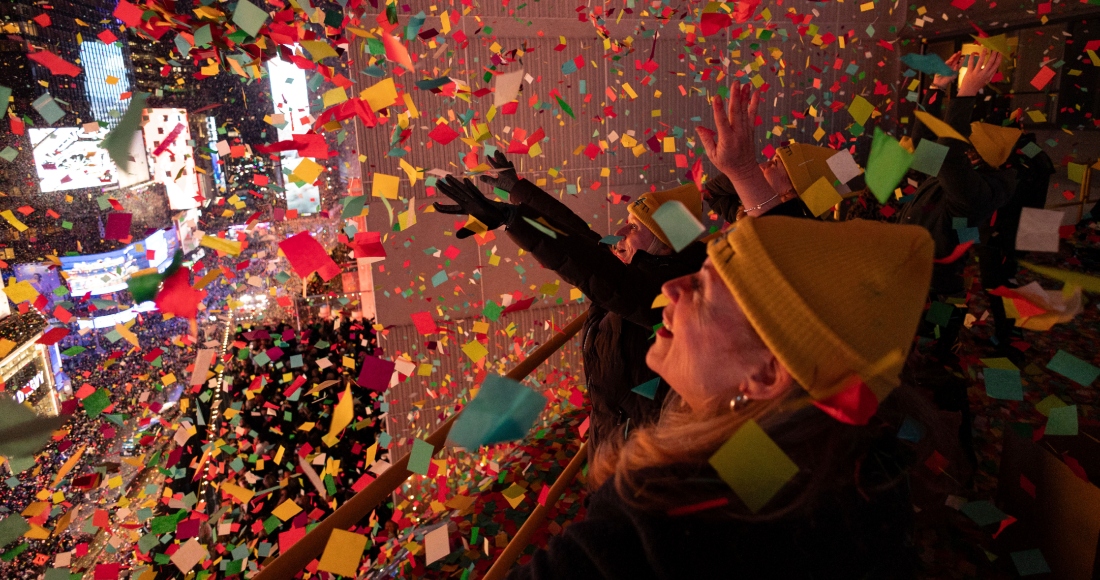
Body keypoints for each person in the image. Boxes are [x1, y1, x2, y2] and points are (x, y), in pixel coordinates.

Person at [507, 214, 938, 580]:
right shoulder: (835, 464)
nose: (673, 288)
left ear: (767, 372)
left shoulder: (667, 528)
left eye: (703, 289)